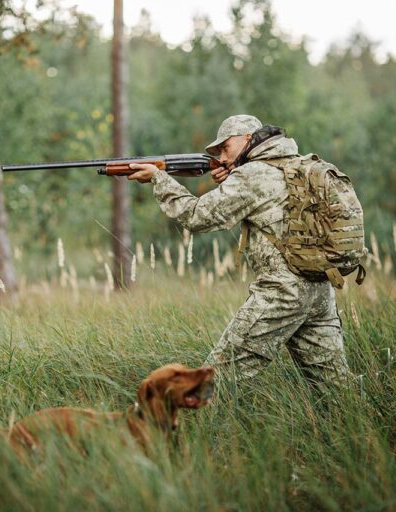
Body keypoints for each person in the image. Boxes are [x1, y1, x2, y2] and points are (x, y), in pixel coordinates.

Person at [127, 114, 350, 385]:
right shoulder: (297, 164)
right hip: (320, 290)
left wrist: (159, 180)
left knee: (214, 383)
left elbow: (198, 216)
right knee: (337, 387)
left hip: (281, 293)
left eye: (225, 147)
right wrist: (232, 176)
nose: (221, 157)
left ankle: (194, 427)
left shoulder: (252, 175)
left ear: (247, 138)